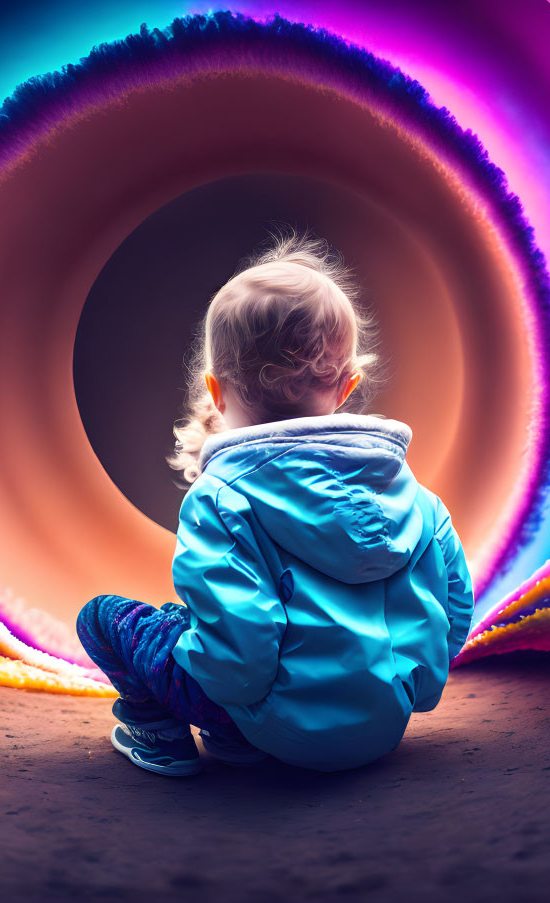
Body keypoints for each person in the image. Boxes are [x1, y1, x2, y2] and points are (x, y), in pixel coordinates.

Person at [75, 228, 474, 776]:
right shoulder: (414, 495)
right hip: (385, 721)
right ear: (348, 386)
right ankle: (246, 735)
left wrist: (244, 704)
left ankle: (162, 736)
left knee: (105, 619)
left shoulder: (222, 498)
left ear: (215, 393)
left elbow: (239, 652)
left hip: (276, 724)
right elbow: (452, 616)